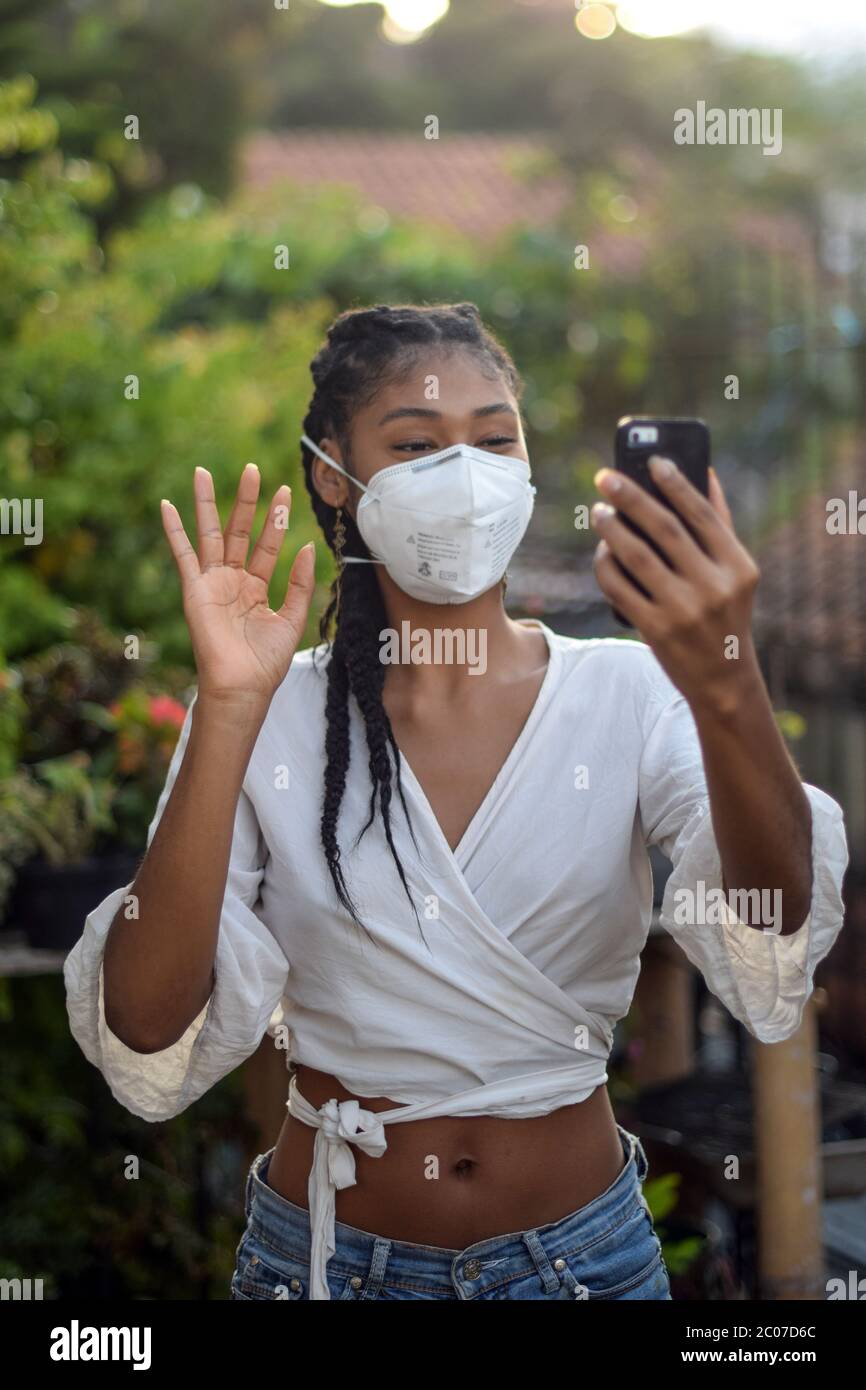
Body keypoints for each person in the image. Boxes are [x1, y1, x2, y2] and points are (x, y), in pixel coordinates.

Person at [64, 302, 849, 1301]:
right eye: (415, 443)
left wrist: (728, 686)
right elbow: (143, 1021)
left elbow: (770, 928)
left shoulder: (630, 691)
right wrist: (225, 707)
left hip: (581, 1266)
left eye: (492, 437)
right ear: (330, 472)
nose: (464, 472)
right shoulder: (270, 708)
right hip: (327, 1266)